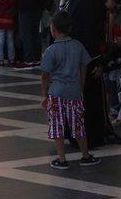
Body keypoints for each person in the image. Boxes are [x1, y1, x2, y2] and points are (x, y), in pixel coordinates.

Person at [68, 0, 121, 147]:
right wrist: (99, 61)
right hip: (88, 59)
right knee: (92, 99)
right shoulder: (94, 5)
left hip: (73, 56)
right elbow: (92, 36)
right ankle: (91, 136)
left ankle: (75, 135)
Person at [40, 11, 101, 169]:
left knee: (57, 126)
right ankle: (86, 156)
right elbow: (84, 67)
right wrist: (80, 87)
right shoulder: (78, 46)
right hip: (74, 93)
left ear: (53, 29)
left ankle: (62, 160)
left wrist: (44, 95)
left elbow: (45, 75)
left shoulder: (51, 51)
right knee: (78, 126)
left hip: (56, 93)